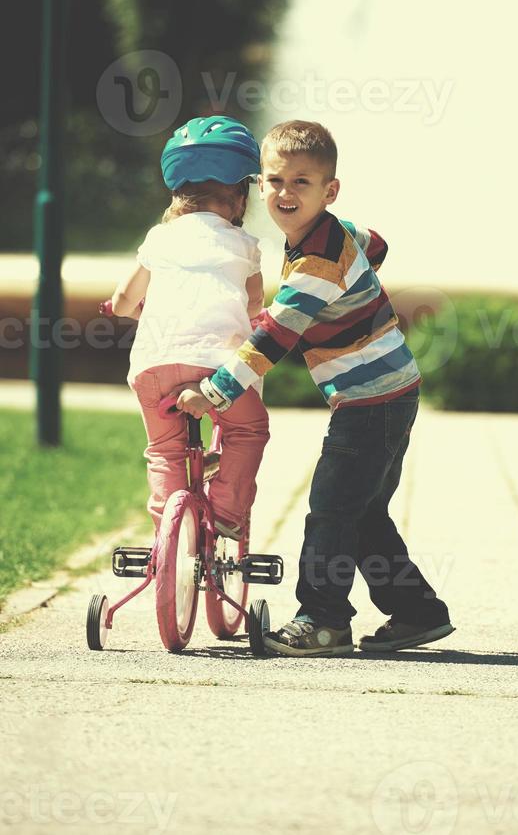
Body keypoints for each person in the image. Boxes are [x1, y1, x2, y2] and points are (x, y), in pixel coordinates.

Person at [176, 120, 454, 656]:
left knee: (330, 508)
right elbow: (377, 243)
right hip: (392, 392)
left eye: (302, 183)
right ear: (259, 185)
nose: (285, 193)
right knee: (362, 510)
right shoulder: (333, 232)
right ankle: (418, 612)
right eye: (276, 180)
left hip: (371, 402)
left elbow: (275, 336)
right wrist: (359, 278)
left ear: (330, 191)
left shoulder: (316, 263)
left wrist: (213, 394)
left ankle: (323, 620)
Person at [111, 115, 270, 541]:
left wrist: (124, 306)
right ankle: (225, 513)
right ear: (239, 197)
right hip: (217, 366)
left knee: (164, 452)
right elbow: (254, 303)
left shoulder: (158, 238)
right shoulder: (245, 246)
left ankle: (169, 543)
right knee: (248, 431)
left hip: (153, 366)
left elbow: (126, 300)